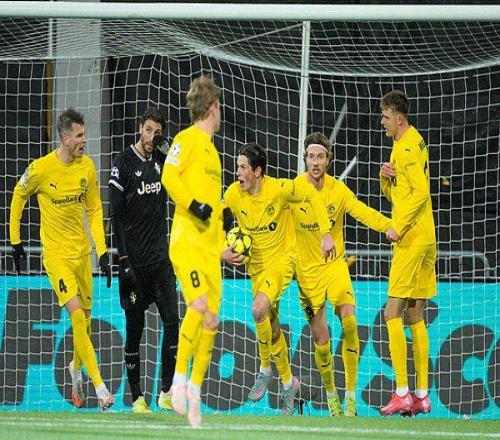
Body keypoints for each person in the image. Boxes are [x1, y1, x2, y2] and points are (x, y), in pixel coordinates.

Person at [9, 108, 114, 410]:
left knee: (86, 323)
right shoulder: (41, 169)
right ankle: (101, 388)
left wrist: (102, 251)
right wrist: (16, 241)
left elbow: (94, 210)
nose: (84, 140)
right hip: (56, 257)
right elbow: (18, 194)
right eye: (79, 136)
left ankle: (75, 368)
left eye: (84, 135)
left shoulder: (87, 167)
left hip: (82, 255)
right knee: (77, 316)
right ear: (65, 139)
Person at [222, 142, 335, 415]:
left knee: (257, 309)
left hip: (282, 262)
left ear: (257, 171)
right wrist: (221, 251)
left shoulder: (280, 189)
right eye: (237, 167)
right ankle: (288, 384)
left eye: (243, 168)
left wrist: (325, 232)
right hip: (256, 269)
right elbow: (215, 221)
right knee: (271, 329)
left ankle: (264, 369)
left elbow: (310, 194)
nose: (237, 173)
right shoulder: (234, 194)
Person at [291, 132, 392, 417]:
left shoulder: (339, 190)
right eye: (311, 157)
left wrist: (388, 226)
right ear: (305, 160)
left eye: (320, 157)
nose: (315, 162)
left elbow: (363, 212)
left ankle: (350, 396)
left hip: (335, 266)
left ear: (328, 160)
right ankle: (331, 395)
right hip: (308, 274)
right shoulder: (293, 190)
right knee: (322, 340)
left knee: (349, 322)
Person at [161, 75, 225, 428]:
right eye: (219, 105)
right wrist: (192, 204)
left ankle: (195, 391)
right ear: (212, 106)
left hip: (210, 250)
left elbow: (215, 208)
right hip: (186, 241)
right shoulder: (185, 139)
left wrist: (222, 245)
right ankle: (177, 382)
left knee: (211, 321)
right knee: (197, 305)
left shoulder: (213, 151)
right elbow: (169, 176)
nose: (220, 111)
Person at [109, 107, 179, 414]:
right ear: (140, 128)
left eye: (157, 133)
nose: (152, 137)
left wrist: (171, 149)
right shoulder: (123, 162)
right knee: (134, 332)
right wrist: (123, 260)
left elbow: (183, 171)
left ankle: (166, 392)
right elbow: (115, 215)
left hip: (161, 263)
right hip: (133, 265)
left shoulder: (164, 162)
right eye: (148, 130)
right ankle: (137, 397)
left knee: (173, 324)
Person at [378, 90, 436, 416]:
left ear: (399, 118)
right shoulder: (408, 141)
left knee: (392, 313)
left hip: (411, 240)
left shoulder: (408, 147)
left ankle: (402, 392)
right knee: (415, 315)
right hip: (427, 236)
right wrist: (385, 179)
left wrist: (399, 226)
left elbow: (422, 192)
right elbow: (402, 194)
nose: (382, 121)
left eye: (385, 116)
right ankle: (422, 395)